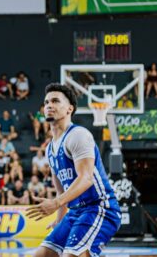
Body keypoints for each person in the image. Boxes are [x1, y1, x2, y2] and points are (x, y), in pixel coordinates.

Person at [26, 83, 121, 257]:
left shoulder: (78, 135)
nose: (49, 105)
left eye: (55, 101)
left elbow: (86, 178)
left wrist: (55, 204)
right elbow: (61, 190)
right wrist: (60, 219)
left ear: (70, 108)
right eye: (46, 102)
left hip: (99, 208)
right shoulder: (49, 149)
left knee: (72, 255)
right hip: (76, 212)